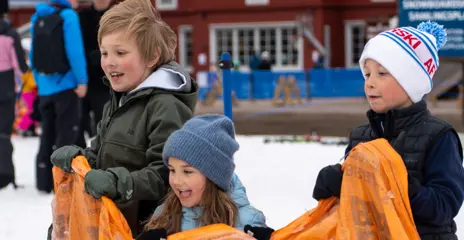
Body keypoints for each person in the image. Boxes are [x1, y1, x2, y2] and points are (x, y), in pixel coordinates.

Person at [49, 0, 198, 236]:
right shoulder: (118, 100)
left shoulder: (166, 105)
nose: (109, 61)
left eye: (120, 52)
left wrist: (121, 184)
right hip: (110, 222)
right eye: (105, 52)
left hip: (147, 228)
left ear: (151, 57)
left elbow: (169, 174)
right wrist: (81, 158)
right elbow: (102, 153)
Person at [312, 21, 464, 239]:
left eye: (382, 73)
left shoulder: (439, 136)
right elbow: (351, 203)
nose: (370, 83)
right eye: (367, 74)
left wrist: (398, 184)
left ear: (410, 82)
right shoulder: (361, 136)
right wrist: (332, 182)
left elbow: (444, 207)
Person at [139, 114, 273, 240]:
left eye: (187, 172)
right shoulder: (164, 215)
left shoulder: (245, 221)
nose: (176, 181)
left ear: (212, 177)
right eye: (172, 170)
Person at [30, 0, 88, 193]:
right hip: (67, 85)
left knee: (47, 133)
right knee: (66, 133)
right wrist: (81, 80)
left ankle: (43, 180)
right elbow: (75, 51)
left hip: (45, 88)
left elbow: (33, 56)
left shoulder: (37, 17)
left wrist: (40, 84)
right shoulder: (69, 17)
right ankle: (63, 181)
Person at [75, 0, 115, 148]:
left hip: (107, 81)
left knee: (105, 123)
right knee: (78, 125)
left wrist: (102, 55)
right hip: (83, 79)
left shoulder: (116, 15)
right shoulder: (82, 16)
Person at [0, 7, 28, 189]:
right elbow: (20, 65)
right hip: (5, 86)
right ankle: (5, 174)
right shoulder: (10, 34)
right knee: (3, 133)